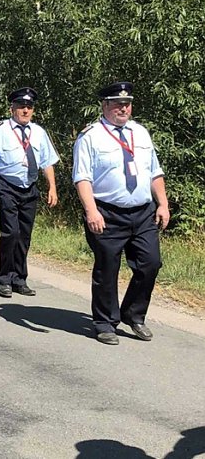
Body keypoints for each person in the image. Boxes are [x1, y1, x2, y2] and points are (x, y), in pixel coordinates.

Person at [72, 81, 169, 345]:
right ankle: (105, 323)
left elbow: (155, 172)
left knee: (150, 263)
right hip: (107, 213)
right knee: (107, 268)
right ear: (105, 106)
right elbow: (82, 177)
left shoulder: (141, 133)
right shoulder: (90, 136)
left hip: (143, 212)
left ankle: (133, 315)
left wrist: (162, 203)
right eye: (117, 104)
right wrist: (91, 211)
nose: (123, 108)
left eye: (127, 104)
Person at [0, 87, 59, 297]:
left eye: (29, 107)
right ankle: (5, 278)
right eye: (21, 106)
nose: (25, 110)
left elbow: (47, 162)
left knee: (24, 235)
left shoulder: (39, 132)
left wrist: (52, 187)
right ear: (12, 108)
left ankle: (19, 279)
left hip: (29, 187)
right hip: (6, 186)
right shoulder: (0, 130)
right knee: (11, 232)